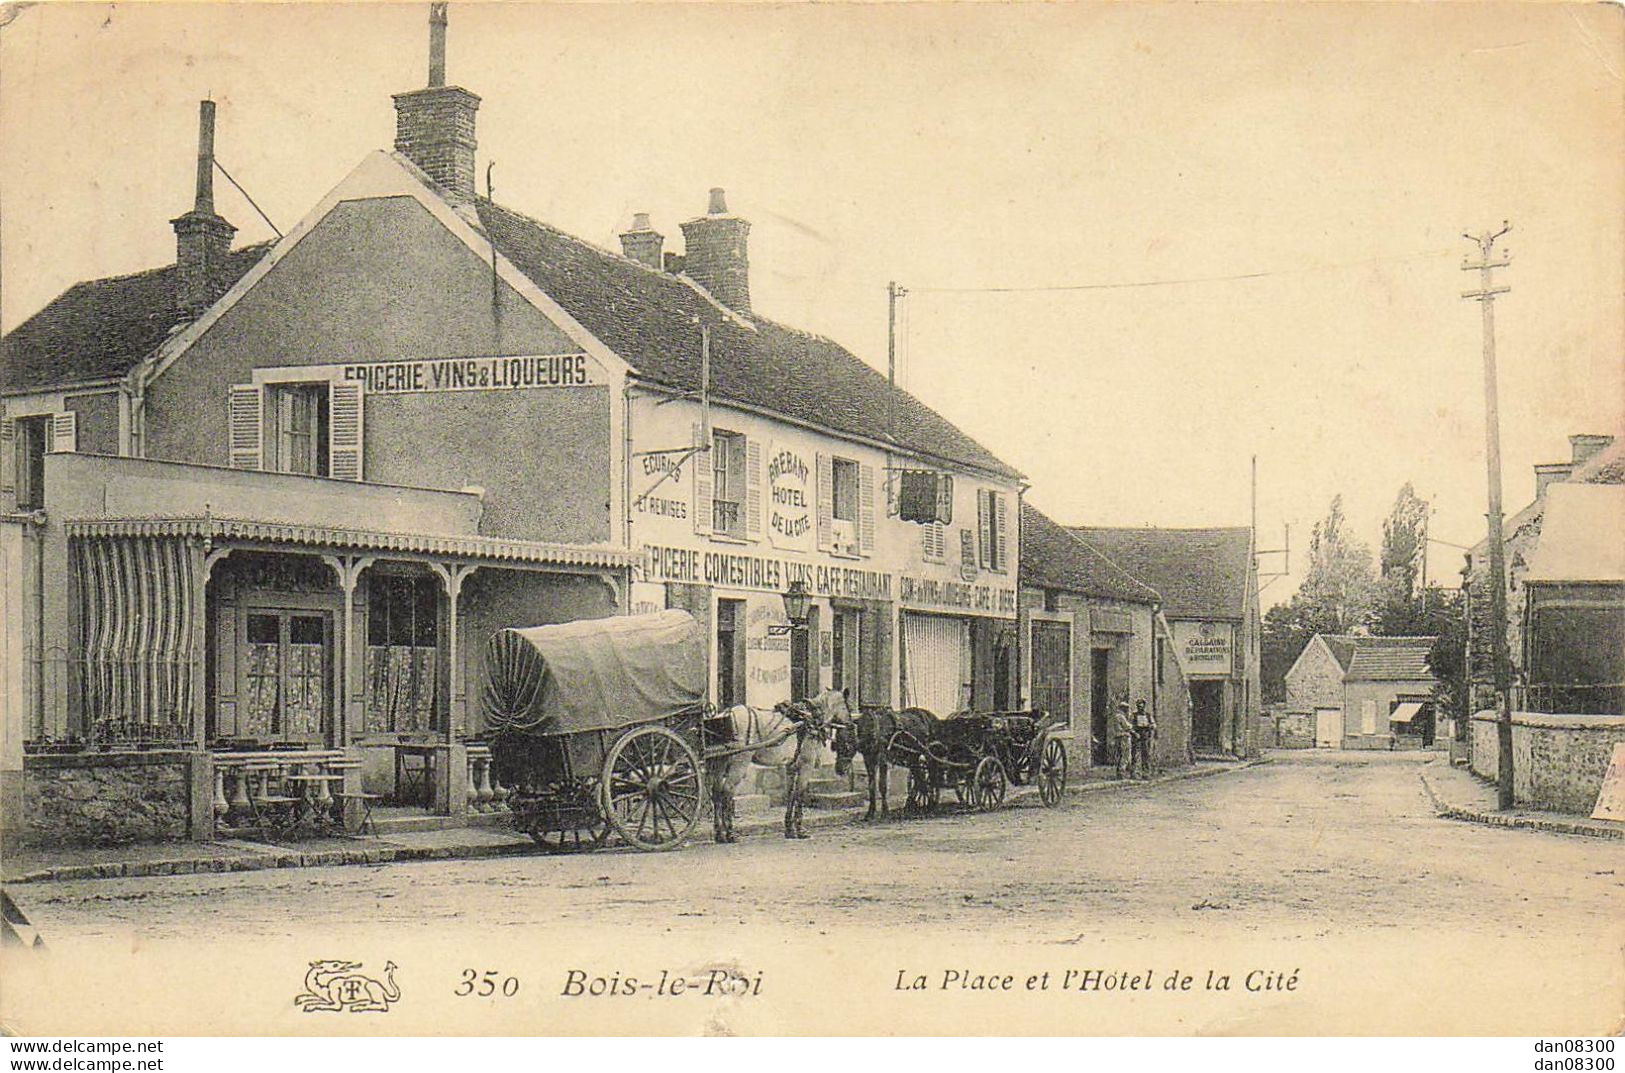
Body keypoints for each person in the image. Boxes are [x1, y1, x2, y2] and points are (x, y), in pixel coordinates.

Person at [1131, 698, 1158, 779]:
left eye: (1142, 706)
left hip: (1145, 736)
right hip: (1137, 736)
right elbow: (1130, 725)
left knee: (1145, 755)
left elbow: (1154, 725)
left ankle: (1145, 773)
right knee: (1135, 754)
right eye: (1139, 706)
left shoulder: (1148, 715)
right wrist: (1135, 733)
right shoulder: (1134, 715)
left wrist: (1151, 726)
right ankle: (1134, 773)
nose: (1140, 708)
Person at [1111, 701, 1135, 780]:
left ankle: (1119, 772)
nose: (1127, 710)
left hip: (1117, 737)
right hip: (1123, 737)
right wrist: (1132, 725)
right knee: (1125, 755)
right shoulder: (1121, 716)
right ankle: (1121, 772)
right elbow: (1127, 726)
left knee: (1119, 755)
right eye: (1126, 708)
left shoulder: (1115, 716)